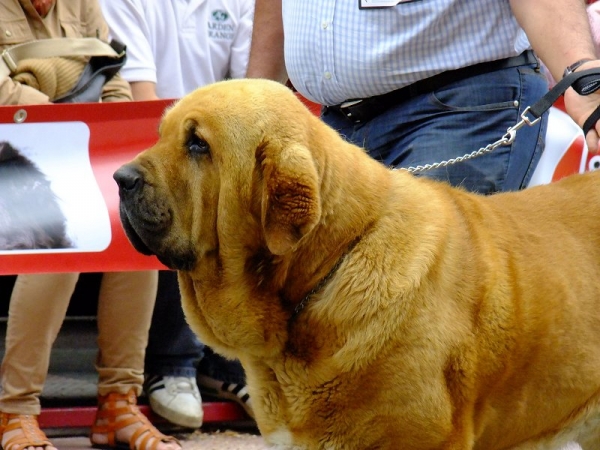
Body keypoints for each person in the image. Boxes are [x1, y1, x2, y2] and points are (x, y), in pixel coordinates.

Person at [0, 1, 180, 450]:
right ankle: (15, 411)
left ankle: (119, 403)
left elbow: (112, 76)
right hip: (15, 149)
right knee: (64, 237)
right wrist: (64, 113)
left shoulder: (84, 3)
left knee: (136, 231)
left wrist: (111, 129)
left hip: (74, 147)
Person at [246, 0, 600, 196]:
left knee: (415, 305)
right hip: (338, 127)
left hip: (459, 108)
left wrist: (581, 76)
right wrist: (251, 106)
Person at [98, 0, 255, 429]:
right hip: (148, 145)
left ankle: (229, 365)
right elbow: (142, 101)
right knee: (179, 208)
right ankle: (171, 363)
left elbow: (252, 89)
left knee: (250, 207)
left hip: (216, 148)